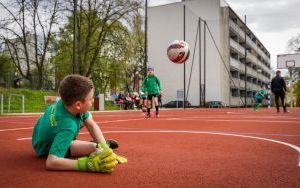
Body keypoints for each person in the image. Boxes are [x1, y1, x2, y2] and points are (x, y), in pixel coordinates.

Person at [32, 74, 126, 173]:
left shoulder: (66, 103)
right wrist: (86, 165)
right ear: (78, 105)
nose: (93, 101)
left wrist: (104, 147)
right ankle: (93, 144)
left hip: (39, 134)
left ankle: (100, 145)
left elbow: (92, 125)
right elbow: (51, 162)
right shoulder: (68, 127)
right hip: (45, 148)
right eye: (90, 99)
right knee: (94, 148)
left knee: (98, 146)